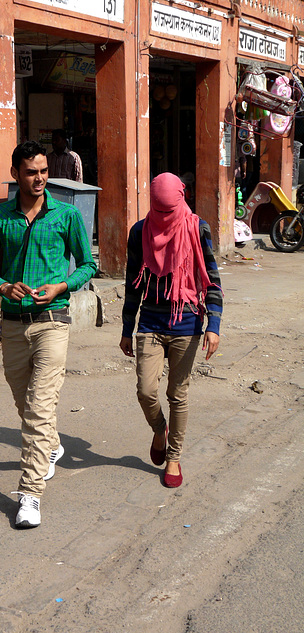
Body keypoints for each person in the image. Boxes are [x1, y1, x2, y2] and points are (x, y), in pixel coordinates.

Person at [0, 140, 97, 528]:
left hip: (53, 321)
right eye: (31, 171)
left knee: (40, 407)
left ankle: (30, 495)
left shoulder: (65, 216)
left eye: (44, 170)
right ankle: (51, 447)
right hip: (11, 324)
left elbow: (88, 264)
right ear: (16, 174)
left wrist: (63, 287)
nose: (39, 178)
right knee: (25, 405)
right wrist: (2, 286)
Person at [119, 172, 222, 489]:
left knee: (178, 394)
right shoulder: (139, 233)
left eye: (170, 211)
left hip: (187, 320)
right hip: (150, 321)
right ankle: (160, 429)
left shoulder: (197, 228)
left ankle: (174, 457)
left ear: (183, 197)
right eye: (158, 211)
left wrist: (213, 325)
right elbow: (132, 282)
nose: (164, 218)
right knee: (146, 391)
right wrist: (126, 327)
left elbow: (212, 280)